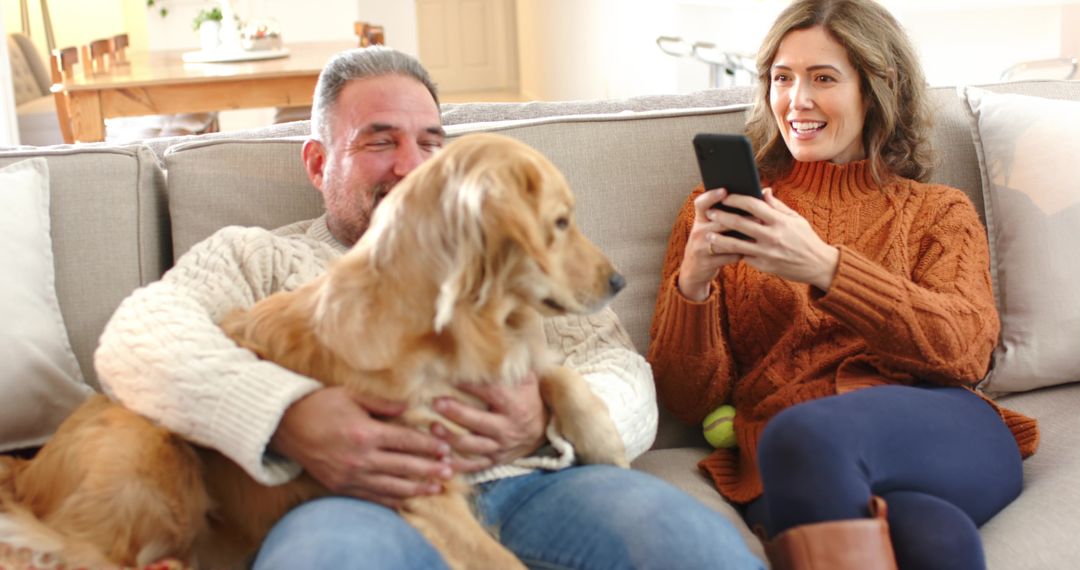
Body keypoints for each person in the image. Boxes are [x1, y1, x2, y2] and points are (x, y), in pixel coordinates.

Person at [95, 46, 762, 569]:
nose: (412, 167)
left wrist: (543, 420)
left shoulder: (507, 248)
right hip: (352, 500)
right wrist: (287, 416)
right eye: (379, 141)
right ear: (317, 162)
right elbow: (135, 340)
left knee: (692, 546)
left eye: (430, 142)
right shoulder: (257, 257)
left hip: (539, 480)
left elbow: (619, 367)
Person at [647, 1, 1039, 568]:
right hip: (801, 463)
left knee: (801, 435)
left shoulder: (938, 212)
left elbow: (965, 353)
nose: (796, 101)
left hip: (941, 431)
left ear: (876, 90)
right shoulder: (717, 213)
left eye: (823, 78)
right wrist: (695, 285)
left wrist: (827, 268)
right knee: (935, 539)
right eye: (782, 78)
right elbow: (688, 401)